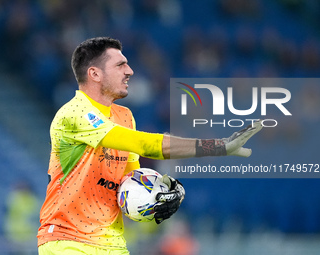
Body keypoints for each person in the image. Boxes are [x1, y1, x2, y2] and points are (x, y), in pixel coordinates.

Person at [37, 37, 262, 255]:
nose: (129, 71)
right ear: (95, 74)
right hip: (67, 240)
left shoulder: (124, 116)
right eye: (120, 65)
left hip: (111, 245)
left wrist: (156, 194)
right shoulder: (73, 113)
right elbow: (144, 144)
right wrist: (217, 146)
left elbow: (129, 180)